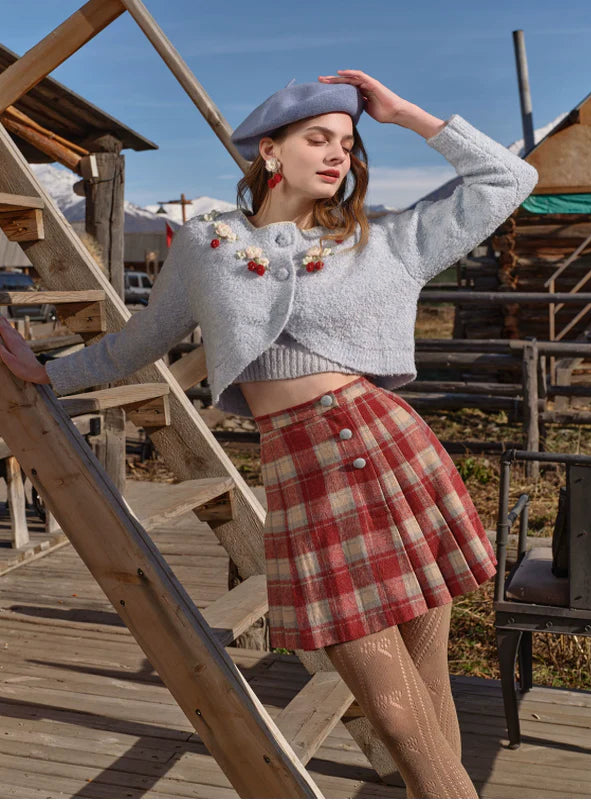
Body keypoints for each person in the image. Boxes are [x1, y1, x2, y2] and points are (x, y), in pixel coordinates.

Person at [0, 70, 538, 798]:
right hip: (303, 469)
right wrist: (46, 373)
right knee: (390, 709)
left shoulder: (384, 240)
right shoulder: (207, 244)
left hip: (392, 449)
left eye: (348, 142)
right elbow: (140, 341)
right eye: (318, 138)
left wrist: (406, 114)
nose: (338, 153)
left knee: (426, 684)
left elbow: (510, 179)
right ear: (270, 151)